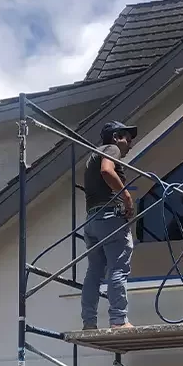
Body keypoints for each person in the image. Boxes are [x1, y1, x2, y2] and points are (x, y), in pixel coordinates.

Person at [80, 120, 137, 330]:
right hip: (110, 216)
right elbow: (106, 171)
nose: (130, 145)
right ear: (115, 137)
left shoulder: (92, 155)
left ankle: (89, 322)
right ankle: (119, 320)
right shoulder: (110, 149)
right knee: (118, 268)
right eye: (127, 139)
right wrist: (127, 197)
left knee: (94, 271)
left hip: (92, 219)